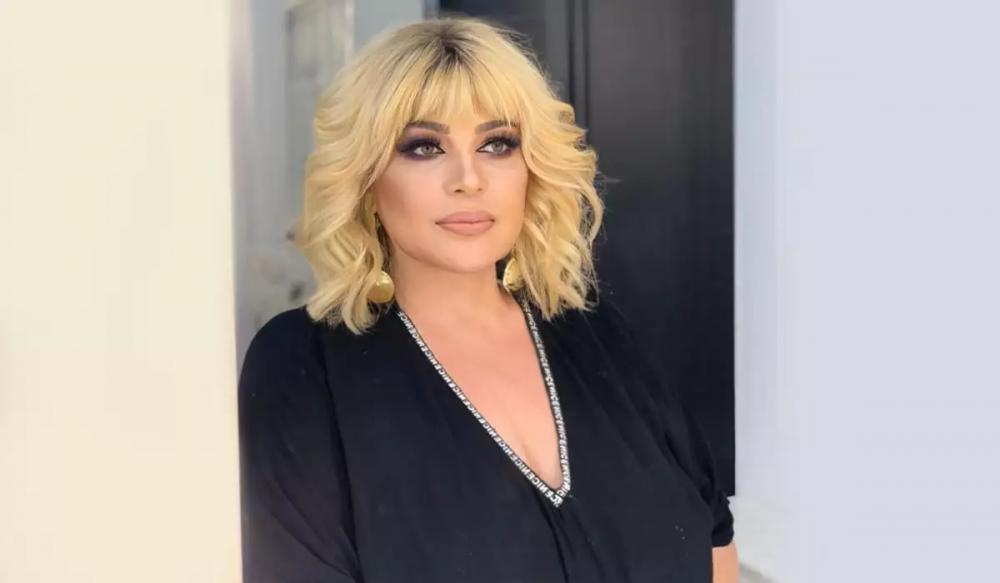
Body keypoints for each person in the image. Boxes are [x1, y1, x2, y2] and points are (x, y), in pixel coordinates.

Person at [237, 15, 738, 583]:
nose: (469, 179)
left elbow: (714, 543)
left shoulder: (598, 336)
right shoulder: (305, 370)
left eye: (497, 144)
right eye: (424, 147)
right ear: (367, 180)